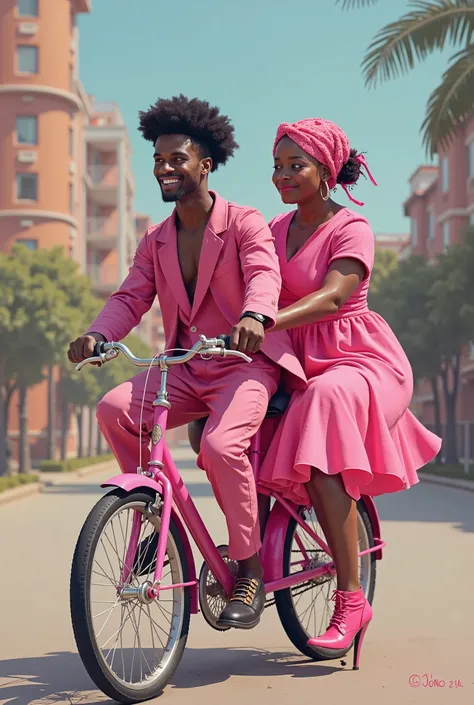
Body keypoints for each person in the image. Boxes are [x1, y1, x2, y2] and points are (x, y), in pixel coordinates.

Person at [67, 95, 306, 631]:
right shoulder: (156, 241)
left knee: (221, 447)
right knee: (114, 409)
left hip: (244, 365)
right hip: (184, 367)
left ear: (205, 164)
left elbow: (265, 275)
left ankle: (247, 567)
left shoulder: (243, 222)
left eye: (177, 158)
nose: (165, 168)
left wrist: (254, 317)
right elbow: (131, 297)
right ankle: (150, 510)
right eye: (158, 160)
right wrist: (97, 334)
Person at [256, 117, 442, 664]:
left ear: (326, 170)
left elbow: (335, 297)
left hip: (358, 359)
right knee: (227, 416)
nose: (283, 176)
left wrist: (264, 321)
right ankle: (246, 562)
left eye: (296, 166)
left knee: (322, 402)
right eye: (277, 166)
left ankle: (351, 597)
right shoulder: (272, 229)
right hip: (295, 356)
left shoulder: (351, 227)